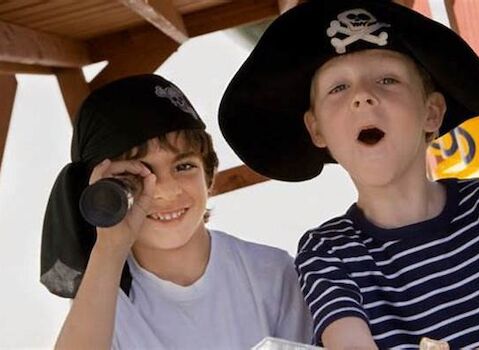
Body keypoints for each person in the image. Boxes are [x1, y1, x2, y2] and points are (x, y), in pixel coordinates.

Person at [217, 0, 479, 348]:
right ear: (316, 129)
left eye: (387, 80)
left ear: (432, 112)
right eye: (338, 88)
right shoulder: (326, 252)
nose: (363, 97)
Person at [40, 74, 312, 349]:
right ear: (104, 194)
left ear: (208, 173)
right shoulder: (104, 299)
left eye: (183, 167)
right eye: (136, 177)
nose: (166, 191)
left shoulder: (272, 274)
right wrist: (110, 247)